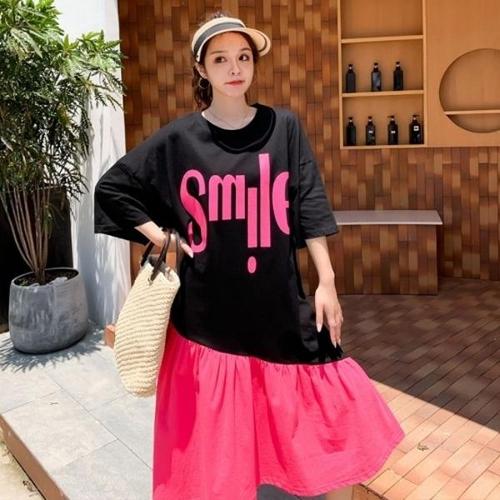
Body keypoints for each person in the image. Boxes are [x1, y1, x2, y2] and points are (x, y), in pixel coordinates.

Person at [94, 12, 405, 500]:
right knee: (214, 458)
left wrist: (326, 282)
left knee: (335, 400)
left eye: (243, 56)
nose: (234, 68)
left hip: (275, 301)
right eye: (220, 59)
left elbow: (308, 201)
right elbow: (113, 189)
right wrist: (164, 237)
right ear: (202, 69)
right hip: (207, 316)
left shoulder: (283, 127)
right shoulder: (180, 139)